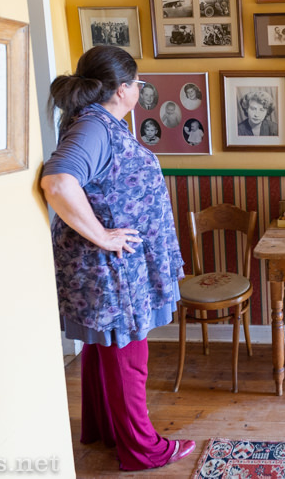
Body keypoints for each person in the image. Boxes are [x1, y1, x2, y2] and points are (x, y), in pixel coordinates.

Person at [39, 45, 195, 471]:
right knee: (128, 358)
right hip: (110, 270)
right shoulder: (94, 127)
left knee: (105, 347)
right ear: (122, 88)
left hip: (113, 268)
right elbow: (58, 182)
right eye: (138, 82)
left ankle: (105, 430)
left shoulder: (97, 122)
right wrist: (103, 237)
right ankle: (143, 449)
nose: (140, 89)